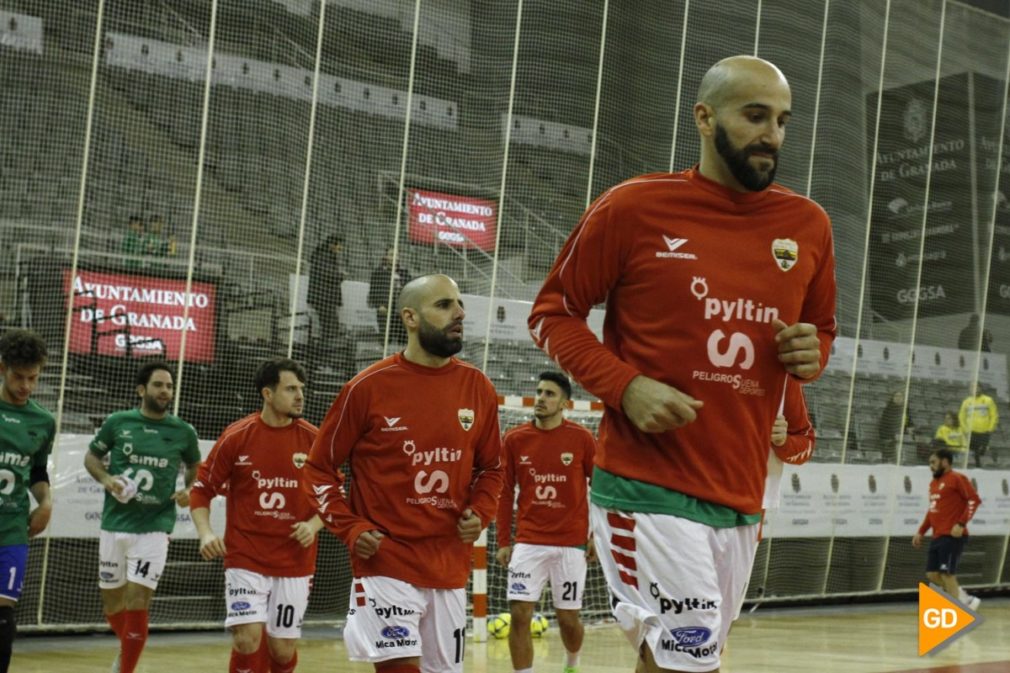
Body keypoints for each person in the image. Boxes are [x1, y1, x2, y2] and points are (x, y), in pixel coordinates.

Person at [527, 55, 837, 673]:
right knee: (691, 662)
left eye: (782, 120)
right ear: (704, 117)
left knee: (672, 660)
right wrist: (626, 386)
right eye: (754, 116)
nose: (771, 134)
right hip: (648, 484)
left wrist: (814, 352)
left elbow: (821, 334)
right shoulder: (633, 207)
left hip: (740, 491)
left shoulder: (808, 225)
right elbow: (552, 312)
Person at [302, 273, 504, 673]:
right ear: (410, 317)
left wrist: (481, 511)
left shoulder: (477, 387)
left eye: (459, 303)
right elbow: (317, 470)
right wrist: (350, 527)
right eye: (444, 305)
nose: (459, 313)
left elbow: (493, 468)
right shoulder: (367, 388)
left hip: (448, 563)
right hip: (386, 560)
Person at [189, 357, 322, 673]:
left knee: (281, 648)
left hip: (294, 561)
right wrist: (206, 532)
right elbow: (201, 488)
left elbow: (334, 496)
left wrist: (314, 524)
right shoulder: (238, 436)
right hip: (245, 558)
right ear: (267, 393)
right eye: (291, 389)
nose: (300, 395)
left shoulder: (314, 439)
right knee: (247, 639)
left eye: (301, 389)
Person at [84, 361, 201, 673]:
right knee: (112, 605)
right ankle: (130, 647)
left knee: (138, 604)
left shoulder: (183, 431)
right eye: (158, 385)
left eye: (169, 386)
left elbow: (194, 466)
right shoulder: (118, 422)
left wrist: (188, 488)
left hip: (154, 528)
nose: (165, 391)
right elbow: (92, 457)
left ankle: (126, 667)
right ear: (141, 389)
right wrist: (107, 479)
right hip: (114, 524)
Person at [495, 371, 596, 673]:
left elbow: (601, 488)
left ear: (565, 403)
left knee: (568, 620)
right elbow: (503, 494)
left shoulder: (582, 439)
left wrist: (594, 536)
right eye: (539, 392)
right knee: (520, 614)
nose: (541, 398)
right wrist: (503, 541)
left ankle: (572, 663)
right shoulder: (514, 439)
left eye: (549, 394)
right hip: (528, 542)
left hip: (571, 543)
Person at [0, 329, 55, 673]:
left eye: (33, 378)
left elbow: (37, 472)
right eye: (18, 377)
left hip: (12, 530)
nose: (26, 386)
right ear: (2, 368)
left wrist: (46, 502)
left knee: (4, 614)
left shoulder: (43, 421)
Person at [912, 448, 982, 611]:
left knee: (947, 574)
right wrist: (921, 531)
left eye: (933, 462)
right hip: (937, 536)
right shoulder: (933, 483)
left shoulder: (957, 478)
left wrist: (961, 523)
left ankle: (959, 611)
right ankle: (965, 599)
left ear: (944, 462)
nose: (931, 466)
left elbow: (974, 500)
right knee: (932, 574)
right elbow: (932, 510)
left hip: (952, 536)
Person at [307, 235, 346, 366]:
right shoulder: (322, 255)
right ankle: (324, 358)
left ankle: (324, 358)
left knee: (328, 329)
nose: (340, 248)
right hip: (323, 298)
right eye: (339, 245)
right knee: (330, 329)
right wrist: (341, 275)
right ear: (332, 244)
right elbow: (327, 273)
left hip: (325, 298)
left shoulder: (324, 255)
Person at [368, 246, 410, 346]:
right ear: (386, 256)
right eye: (392, 255)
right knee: (386, 338)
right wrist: (379, 305)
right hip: (385, 309)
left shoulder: (404, 273)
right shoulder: (378, 273)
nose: (395, 258)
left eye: (397, 255)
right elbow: (373, 291)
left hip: (400, 310)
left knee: (403, 340)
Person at [959, 386, 999, 468]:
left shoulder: (988, 400)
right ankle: (977, 467)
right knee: (973, 452)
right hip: (971, 432)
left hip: (984, 432)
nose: (976, 390)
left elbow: (994, 415)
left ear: (981, 389)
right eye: (973, 388)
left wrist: (990, 428)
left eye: (978, 388)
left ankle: (983, 464)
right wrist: (965, 429)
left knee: (981, 451)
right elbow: (961, 416)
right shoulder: (966, 401)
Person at [878, 390, 914, 463]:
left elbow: (909, 422)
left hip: (903, 434)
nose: (898, 398)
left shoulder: (906, 410)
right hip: (889, 434)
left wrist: (910, 428)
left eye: (900, 396)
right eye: (896, 396)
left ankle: (908, 461)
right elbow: (886, 425)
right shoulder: (888, 409)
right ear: (893, 398)